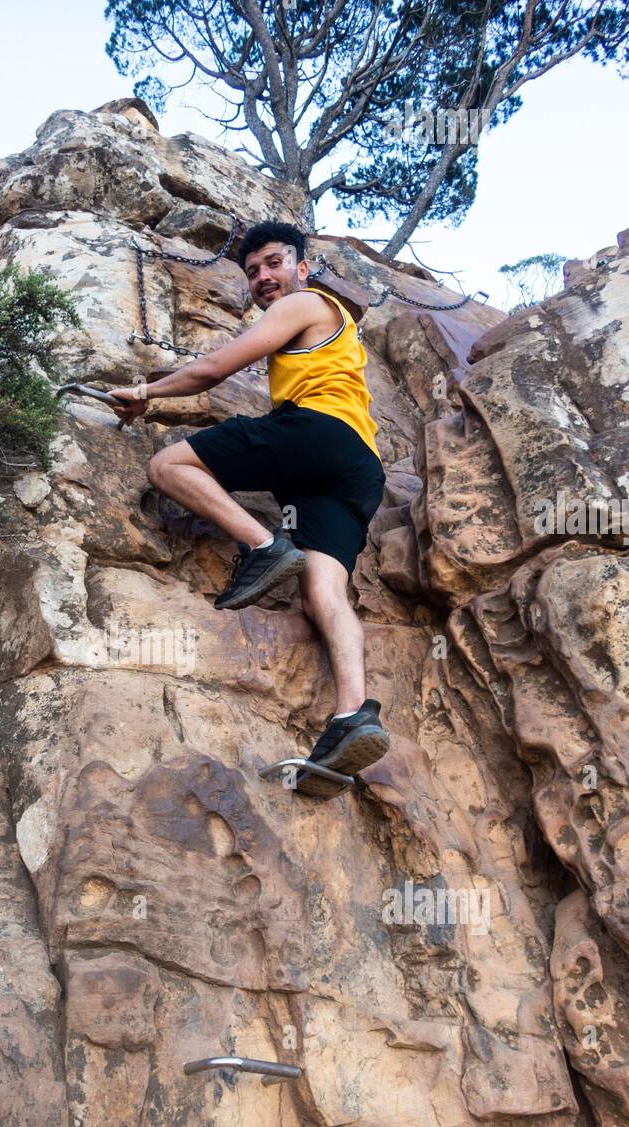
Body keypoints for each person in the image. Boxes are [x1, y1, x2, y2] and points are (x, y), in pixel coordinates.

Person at [109, 219, 390, 783]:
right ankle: (352, 715)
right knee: (322, 589)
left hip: (317, 432)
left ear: (302, 266)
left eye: (274, 263)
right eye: (254, 270)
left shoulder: (307, 302)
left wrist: (145, 394)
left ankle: (263, 547)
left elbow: (213, 371)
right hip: (358, 468)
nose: (264, 276)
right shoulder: (328, 331)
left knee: (168, 465)